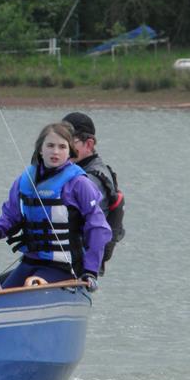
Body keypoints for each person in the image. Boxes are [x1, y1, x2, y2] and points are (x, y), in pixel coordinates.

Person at [0, 122, 111, 291]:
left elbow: (98, 228)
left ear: (69, 152)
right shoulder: (24, 181)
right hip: (30, 262)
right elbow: (10, 215)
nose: (55, 151)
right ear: (40, 149)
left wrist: (90, 271)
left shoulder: (79, 183)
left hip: (64, 268)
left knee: (31, 284)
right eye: (50, 145)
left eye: (62, 147)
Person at [61, 112, 125, 273]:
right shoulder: (72, 171)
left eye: (68, 142)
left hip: (74, 266)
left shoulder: (91, 179)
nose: (61, 148)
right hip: (55, 259)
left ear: (88, 144)